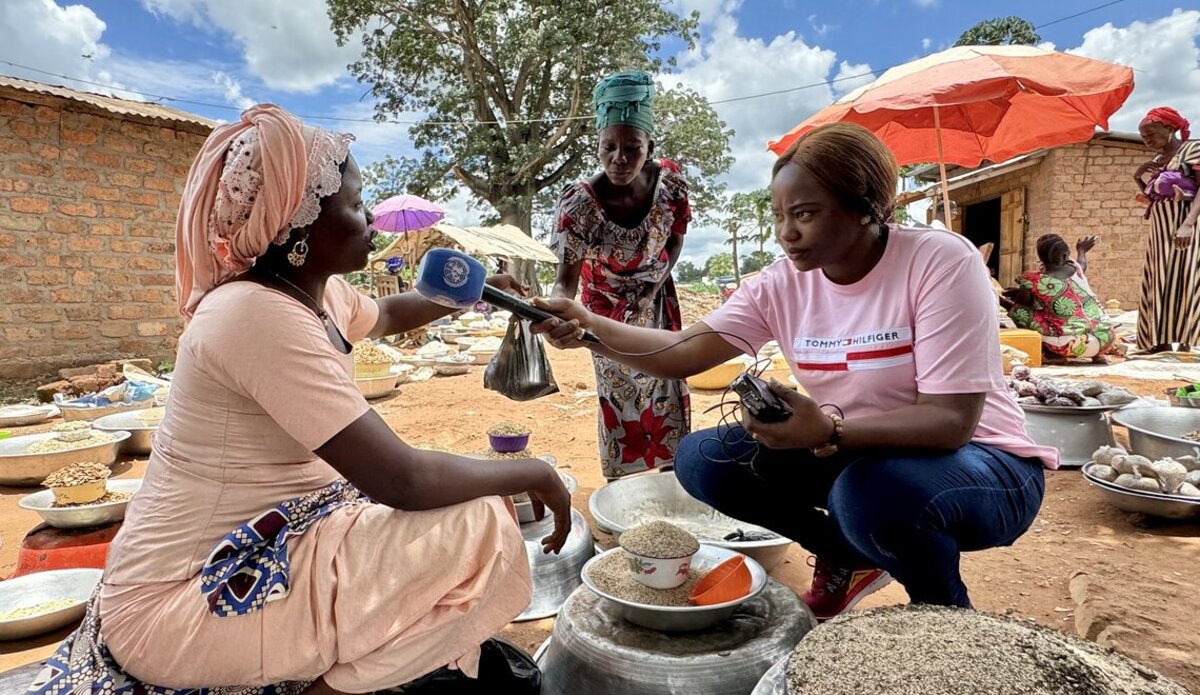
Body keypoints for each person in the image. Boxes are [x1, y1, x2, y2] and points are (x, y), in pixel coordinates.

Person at [30, 105, 570, 695]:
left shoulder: (312, 294)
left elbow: (386, 312)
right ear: (300, 225)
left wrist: (473, 294)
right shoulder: (253, 315)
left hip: (255, 546)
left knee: (456, 506)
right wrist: (535, 471)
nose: (373, 224)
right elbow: (402, 480)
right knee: (479, 522)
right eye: (357, 206)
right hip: (181, 600)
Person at [532, 123, 1056, 621]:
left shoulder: (938, 261)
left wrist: (829, 431)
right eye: (779, 215)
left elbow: (951, 421)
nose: (787, 232)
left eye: (805, 213)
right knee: (703, 458)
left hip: (983, 463)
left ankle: (946, 619)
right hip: (859, 455)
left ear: (866, 208)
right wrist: (588, 327)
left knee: (869, 495)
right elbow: (679, 352)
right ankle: (847, 554)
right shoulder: (782, 284)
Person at [548, 70, 691, 480]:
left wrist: (652, 290)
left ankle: (672, 478)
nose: (620, 159)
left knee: (666, 386)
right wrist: (563, 312)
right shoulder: (580, 204)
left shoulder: (671, 185)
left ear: (650, 147)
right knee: (620, 398)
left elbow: (674, 243)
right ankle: (621, 484)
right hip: (602, 312)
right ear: (597, 145)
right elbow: (565, 280)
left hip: (657, 300)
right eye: (608, 147)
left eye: (633, 148)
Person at [1133, 106, 1200, 354]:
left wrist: (1188, 223)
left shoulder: (1192, 149)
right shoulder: (1157, 162)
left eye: (1151, 133)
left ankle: (1186, 342)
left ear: (1169, 128)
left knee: (1184, 277)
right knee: (1159, 278)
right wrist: (1138, 178)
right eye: (1143, 136)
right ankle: (1157, 341)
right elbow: (1153, 198)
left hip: (1184, 224)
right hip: (1160, 228)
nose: (1147, 140)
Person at [1002, 234, 1115, 362]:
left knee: (1021, 313)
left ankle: (1050, 353)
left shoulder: (1032, 280)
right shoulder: (1077, 269)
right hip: (1106, 338)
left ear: (1041, 258)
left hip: (1070, 345)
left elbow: (1020, 307)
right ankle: (1098, 355)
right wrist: (1081, 250)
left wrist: (997, 297)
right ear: (1065, 256)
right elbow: (1082, 262)